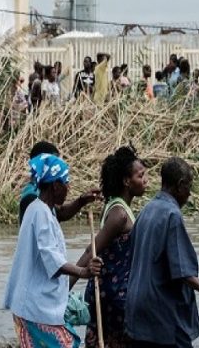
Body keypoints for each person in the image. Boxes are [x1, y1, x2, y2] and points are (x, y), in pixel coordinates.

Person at [125, 157, 199, 347]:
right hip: (162, 315)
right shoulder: (171, 215)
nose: (189, 194)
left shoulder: (145, 211)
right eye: (189, 187)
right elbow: (183, 272)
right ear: (180, 185)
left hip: (137, 312)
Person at [4, 153, 103, 348]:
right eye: (66, 183)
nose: (69, 188)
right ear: (55, 186)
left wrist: (82, 201)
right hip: (35, 307)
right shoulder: (40, 212)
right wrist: (83, 272)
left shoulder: (42, 209)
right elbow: (52, 259)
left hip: (34, 304)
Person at [72, 146, 147, 348]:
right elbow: (92, 250)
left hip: (112, 294)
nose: (145, 180)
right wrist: (65, 287)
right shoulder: (119, 214)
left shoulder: (117, 206)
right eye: (141, 176)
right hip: (113, 299)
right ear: (126, 181)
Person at [18, 141, 100, 224]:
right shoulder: (31, 197)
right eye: (54, 162)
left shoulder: (41, 194)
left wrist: (81, 201)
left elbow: (60, 213)